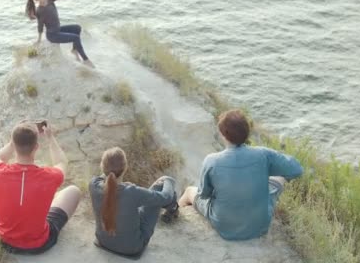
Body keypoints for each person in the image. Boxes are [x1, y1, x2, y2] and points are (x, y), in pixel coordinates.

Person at [178, 109, 303, 241]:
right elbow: (296, 170)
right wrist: (276, 157)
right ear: (247, 133)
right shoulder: (263, 154)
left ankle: (174, 219)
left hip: (225, 226)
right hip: (259, 226)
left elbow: (204, 194)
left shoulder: (212, 161)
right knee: (278, 177)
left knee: (189, 191)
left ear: (222, 134)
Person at [0, 121, 82, 254]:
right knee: (73, 191)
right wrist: (50, 138)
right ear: (36, 147)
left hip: (3, 240)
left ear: (14, 146)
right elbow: (61, 162)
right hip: (38, 244)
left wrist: (12, 142)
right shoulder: (49, 177)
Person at [89, 147, 179, 257]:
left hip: (103, 242)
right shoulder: (132, 192)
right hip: (132, 248)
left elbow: (105, 178)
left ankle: (172, 208)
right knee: (160, 186)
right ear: (125, 167)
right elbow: (166, 197)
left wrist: (125, 184)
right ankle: (172, 209)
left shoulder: (93, 185)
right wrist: (169, 179)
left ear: (102, 166)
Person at [25, 0, 95, 68]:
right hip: (53, 35)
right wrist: (39, 39)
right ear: (36, 0)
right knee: (75, 38)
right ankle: (86, 60)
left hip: (58, 29)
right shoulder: (39, 10)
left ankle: (74, 50)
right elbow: (40, 26)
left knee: (77, 28)